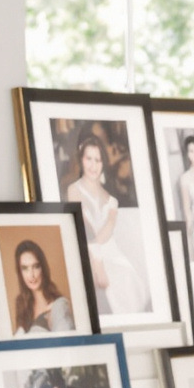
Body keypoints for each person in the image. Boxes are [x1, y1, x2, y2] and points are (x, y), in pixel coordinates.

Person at [67, 135, 150, 315]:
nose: (93, 165)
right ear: (81, 160)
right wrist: (96, 262)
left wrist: (100, 257)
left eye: (97, 160)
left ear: (103, 163)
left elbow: (109, 228)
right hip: (89, 251)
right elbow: (84, 226)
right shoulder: (74, 190)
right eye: (89, 158)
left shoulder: (111, 200)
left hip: (112, 253)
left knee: (127, 280)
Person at [9, 240, 77, 337]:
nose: (32, 275)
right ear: (20, 273)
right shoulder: (21, 304)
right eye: (25, 268)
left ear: (43, 268)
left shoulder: (59, 304)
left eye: (36, 266)